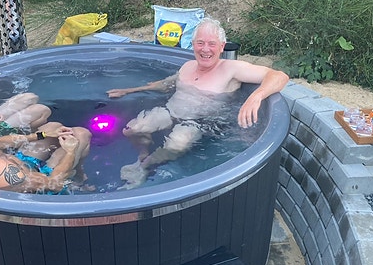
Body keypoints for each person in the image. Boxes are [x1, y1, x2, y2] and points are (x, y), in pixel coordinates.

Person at [107, 17, 289, 189]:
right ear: (193, 44)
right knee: (132, 129)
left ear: (222, 46)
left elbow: (279, 76)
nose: (205, 49)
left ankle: (145, 167)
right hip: (169, 112)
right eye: (200, 43)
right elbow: (165, 84)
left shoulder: (231, 69)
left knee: (177, 144)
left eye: (212, 44)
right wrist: (129, 90)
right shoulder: (187, 66)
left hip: (197, 122)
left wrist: (256, 96)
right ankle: (142, 154)